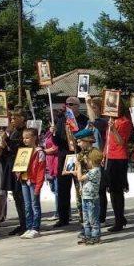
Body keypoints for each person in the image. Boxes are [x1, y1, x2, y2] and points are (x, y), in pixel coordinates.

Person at [102, 98, 133, 233]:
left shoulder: (125, 122)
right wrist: (104, 154)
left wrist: (114, 129)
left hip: (119, 158)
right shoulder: (111, 121)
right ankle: (119, 217)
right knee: (111, 189)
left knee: (117, 190)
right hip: (110, 157)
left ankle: (119, 220)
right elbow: (107, 141)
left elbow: (121, 142)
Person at [53, 97, 85, 229]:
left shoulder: (83, 119)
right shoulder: (61, 119)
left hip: (77, 154)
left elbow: (85, 135)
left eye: (71, 104)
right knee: (63, 187)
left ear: (78, 106)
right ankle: (63, 217)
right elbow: (57, 141)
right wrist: (54, 133)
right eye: (67, 105)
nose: (69, 106)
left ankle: (83, 215)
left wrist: (74, 130)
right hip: (64, 155)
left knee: (81, 186)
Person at [17, 126, 46, 238]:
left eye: (27, 138)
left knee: (35, 205)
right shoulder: (23, 151)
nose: (25, 140)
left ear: (34, 138)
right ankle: (28, 227)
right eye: (24, 138)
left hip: (34, 182)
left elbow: (41, 171)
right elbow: (19, 166)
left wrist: (38, 186)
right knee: (27, 206)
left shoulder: (39, 152)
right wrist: (18, 172)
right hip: (24, 180)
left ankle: (35, 228)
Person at [76, 148, 104, 245]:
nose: (86, 162)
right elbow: (85, 181)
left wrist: (78, 167)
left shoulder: (95, 171)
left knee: (93, 219)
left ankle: (95, 236)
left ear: (91, 160)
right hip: (86, 197)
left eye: (87, 160)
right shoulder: (91, 170)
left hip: (92, 199)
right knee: (86, 219)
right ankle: (88, 236)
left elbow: (80, 178)